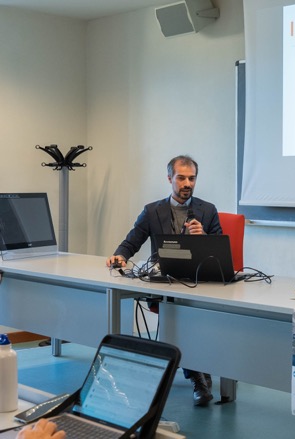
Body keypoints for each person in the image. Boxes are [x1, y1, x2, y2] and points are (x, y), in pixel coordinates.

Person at [106, 154, 222, 407]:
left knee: (186, 311)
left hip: (199, 282)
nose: (187, 183)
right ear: (170, 179)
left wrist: (203, 237)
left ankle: (196, 372)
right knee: (179, 310)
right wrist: (120, 256)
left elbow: (220, 253)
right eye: (181, 178)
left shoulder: (208, 210)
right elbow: (132, 241)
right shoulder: (152, 211)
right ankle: (198, 374)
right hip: (164, 283)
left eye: (192, 178)